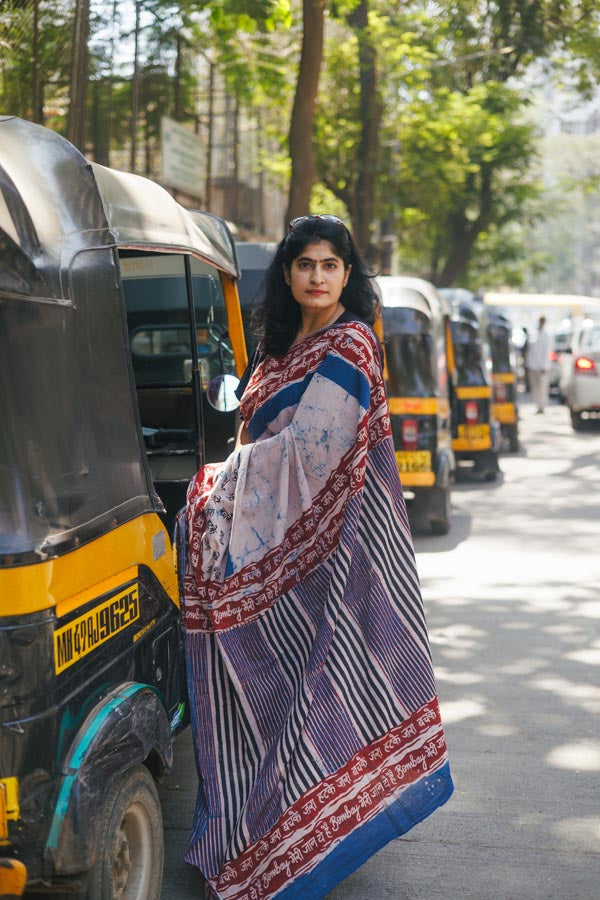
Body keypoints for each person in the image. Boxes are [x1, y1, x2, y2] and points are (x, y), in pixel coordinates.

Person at [182, 215, 453, 899]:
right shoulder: (276, 350)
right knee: (267, 693)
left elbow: (312, 449)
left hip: (334, 546)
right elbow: (256, 429)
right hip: (268, 553)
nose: (318, 277)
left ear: (348, 274)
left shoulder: (352, 343)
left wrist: (222, 482)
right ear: (287, 273)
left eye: (331, 265)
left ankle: (310, 841)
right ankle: (263, 836)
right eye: (305, 264)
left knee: (322, 686)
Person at [526, 316, 551, 413]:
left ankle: (542, 406)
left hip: (542, 367)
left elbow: (547, 352)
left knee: (543, 387)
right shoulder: (534, 333)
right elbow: (530, 350)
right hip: (533, 365)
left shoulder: (547, 335)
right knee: (535, 387)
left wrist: (545, 366)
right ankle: (537, 405)